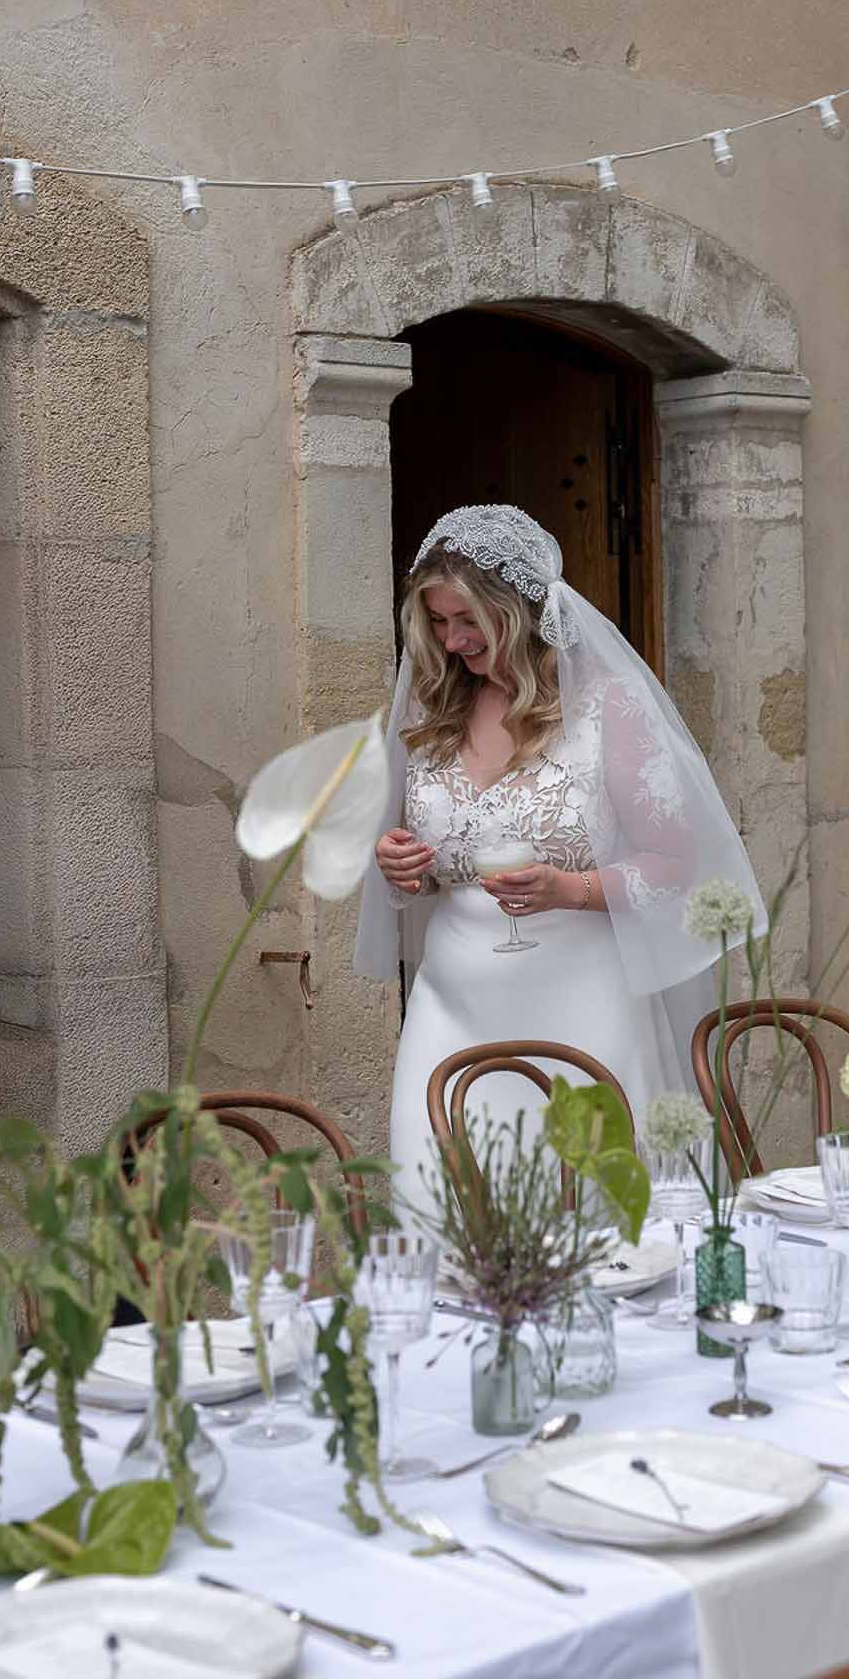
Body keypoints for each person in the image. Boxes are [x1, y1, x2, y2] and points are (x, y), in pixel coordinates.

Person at [354, 504, 765, 1211]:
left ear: (515, 609)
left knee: (590, 1211)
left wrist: (568, 889)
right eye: (438, 622)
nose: (452, 642)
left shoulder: (608, 709)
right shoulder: (432, 715)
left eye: (466, 621)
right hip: (451, 1006)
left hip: (582, 1001)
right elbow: (426, 865)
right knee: (443, 1205)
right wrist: (401, 866)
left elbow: (675, 861)